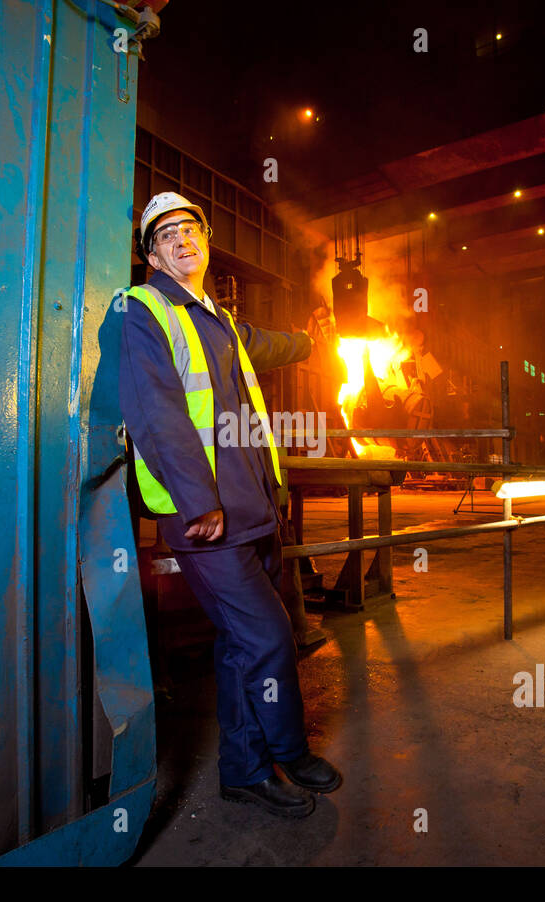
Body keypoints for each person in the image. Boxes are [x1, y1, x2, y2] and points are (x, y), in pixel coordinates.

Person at [117, 191, 343, 819]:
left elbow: (267, 344)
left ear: (206, 239)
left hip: (253, 513)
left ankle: (244, 769)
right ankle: (288, 752)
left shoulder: (214, 317)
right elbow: (155, 413)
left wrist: (310, 341)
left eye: (190, 229)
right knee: (269, 637)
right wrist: (196, 499)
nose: (182, 240)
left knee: (241, 645)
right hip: (207, 520)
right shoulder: (145, 313)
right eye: (166, 236)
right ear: (151, 257)